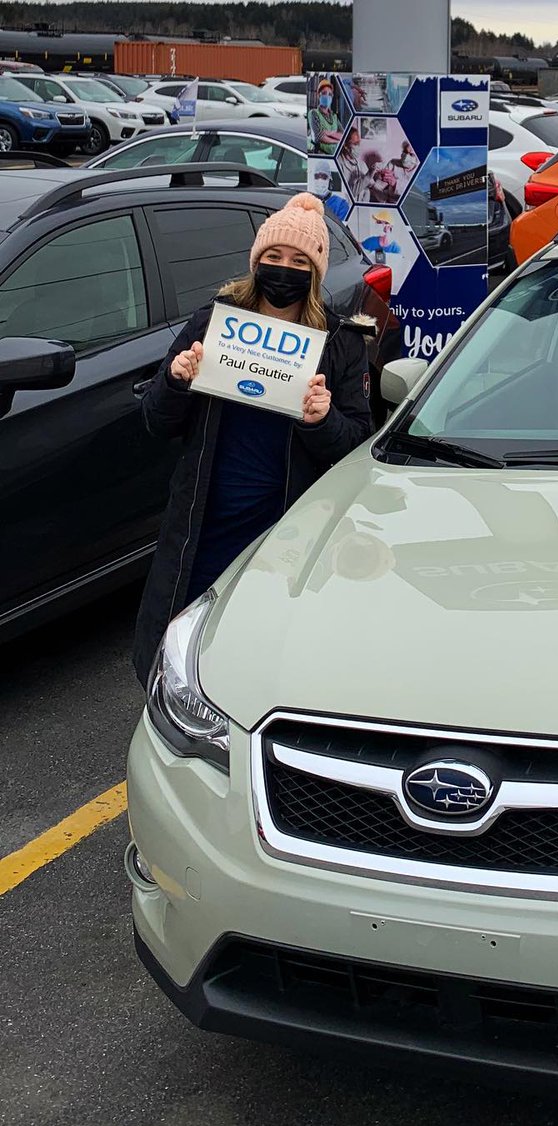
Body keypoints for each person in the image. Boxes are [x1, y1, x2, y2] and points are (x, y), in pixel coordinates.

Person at [132, 193, 375, 686]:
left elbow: (357, 447)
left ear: (315, 272)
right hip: (201, 527)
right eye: (273, 257)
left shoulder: (339, 343)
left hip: (280, 535)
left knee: (257, 658)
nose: (284, 269)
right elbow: (157, 422)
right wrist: (177, 380)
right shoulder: (213, 322)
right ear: (256, 261)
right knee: (179, 654)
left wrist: (322, 418)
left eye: (299, 261)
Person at [337, 125, 371, 202]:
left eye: (359, 143)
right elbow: (347, 194)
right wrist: (367, 177)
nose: (358, 146)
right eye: (355, 144)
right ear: (345, 145)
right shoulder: (337, 164)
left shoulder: (361, 164)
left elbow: (373, 185)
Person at [308, 78, 342, 153]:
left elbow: (343, 135)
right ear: (318, 95)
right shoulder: (313, 113)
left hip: (333, 155)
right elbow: (318, 137)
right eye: (324, 93)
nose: (327, 96)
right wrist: (336, 140)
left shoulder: (334, 116)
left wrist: (329, 133)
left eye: (330, 94)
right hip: (319, 155)